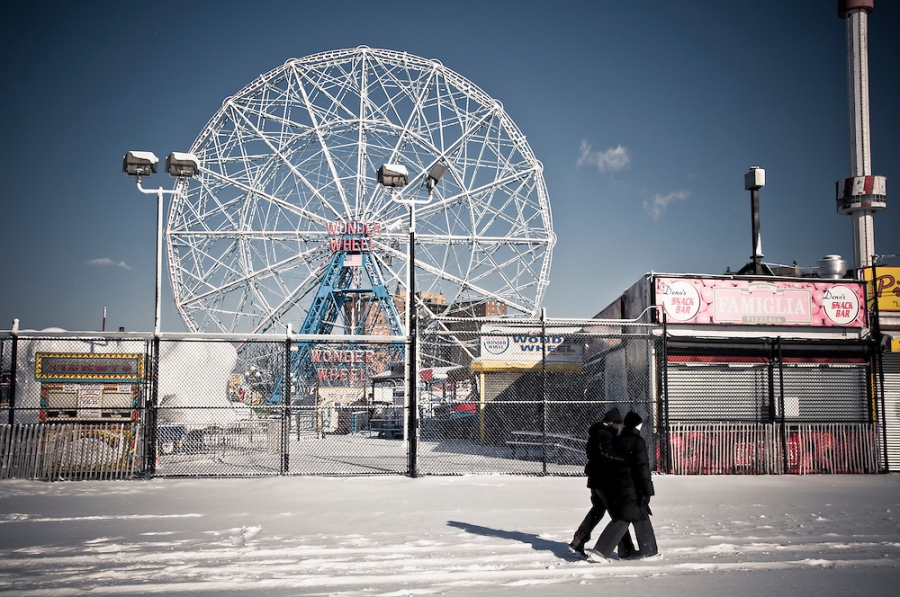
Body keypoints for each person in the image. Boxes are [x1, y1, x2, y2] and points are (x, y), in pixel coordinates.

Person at [586, 410, 658, 562]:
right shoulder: (638, 442)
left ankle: (647, 550)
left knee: (637, 516)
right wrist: (647, 490)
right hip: (633, 487)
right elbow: (642, 468)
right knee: (625, 518)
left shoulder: (618, 440)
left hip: (618, 487)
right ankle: (600, 552)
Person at [568, 408, 636, 558]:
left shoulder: (598, 434)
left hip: (597, 479)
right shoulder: (605, 435)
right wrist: (625, 459)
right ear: (612, 423)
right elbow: (606, 455)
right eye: (618, 424)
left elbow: (598, 455)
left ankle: (579, 540)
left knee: (598, 510)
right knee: (618, 515)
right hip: (605, 481)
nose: (620, 428)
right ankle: (626, 549)